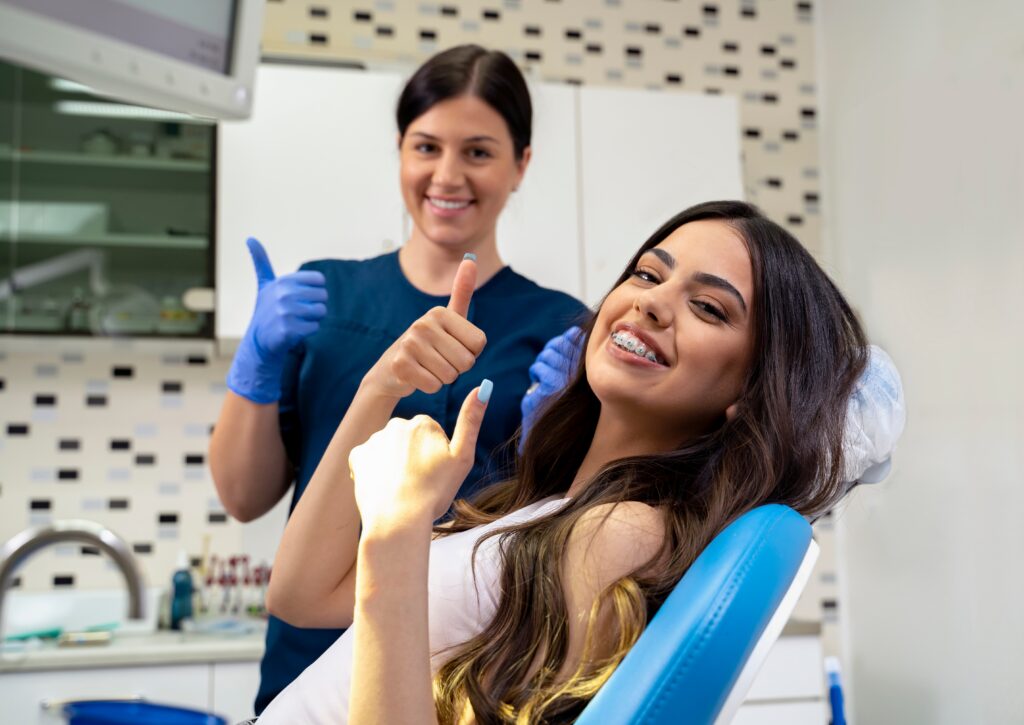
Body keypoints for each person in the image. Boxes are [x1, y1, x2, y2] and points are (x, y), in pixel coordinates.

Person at [255, 200, 878, 724]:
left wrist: (397, 528)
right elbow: (300, 595)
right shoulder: (547, 507)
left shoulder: (622, 532)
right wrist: (382, 387)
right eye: (646, 275)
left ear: (752, 390)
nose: (653, 304)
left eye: (709, 308)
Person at [208, 45, 588, 713]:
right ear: (400, 150)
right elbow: (243, 495)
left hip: (466, 675)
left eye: (478, 151)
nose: (447, 174)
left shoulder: (557, 329)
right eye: (426, 146)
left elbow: (563, 549)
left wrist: (552, 448)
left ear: (521, 164)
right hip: (307, 665)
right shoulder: (329, 296)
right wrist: (256, 368)